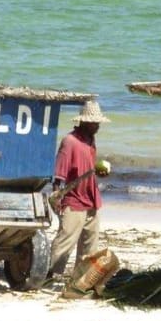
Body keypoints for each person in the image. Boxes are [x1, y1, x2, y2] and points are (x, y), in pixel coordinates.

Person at [48, 100, 110, 283]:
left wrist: (99, 172)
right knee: (64, 242)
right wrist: (57, 195)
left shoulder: (91, 141)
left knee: (90, 246)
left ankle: (80, 280)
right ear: (84, 121)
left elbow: (88, 168)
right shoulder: (70, 141)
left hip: (92, 199)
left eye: (98, 122)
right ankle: (49, 276)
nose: (98, 125)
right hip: (74, 200)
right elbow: (59, 172)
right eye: (95, 122)